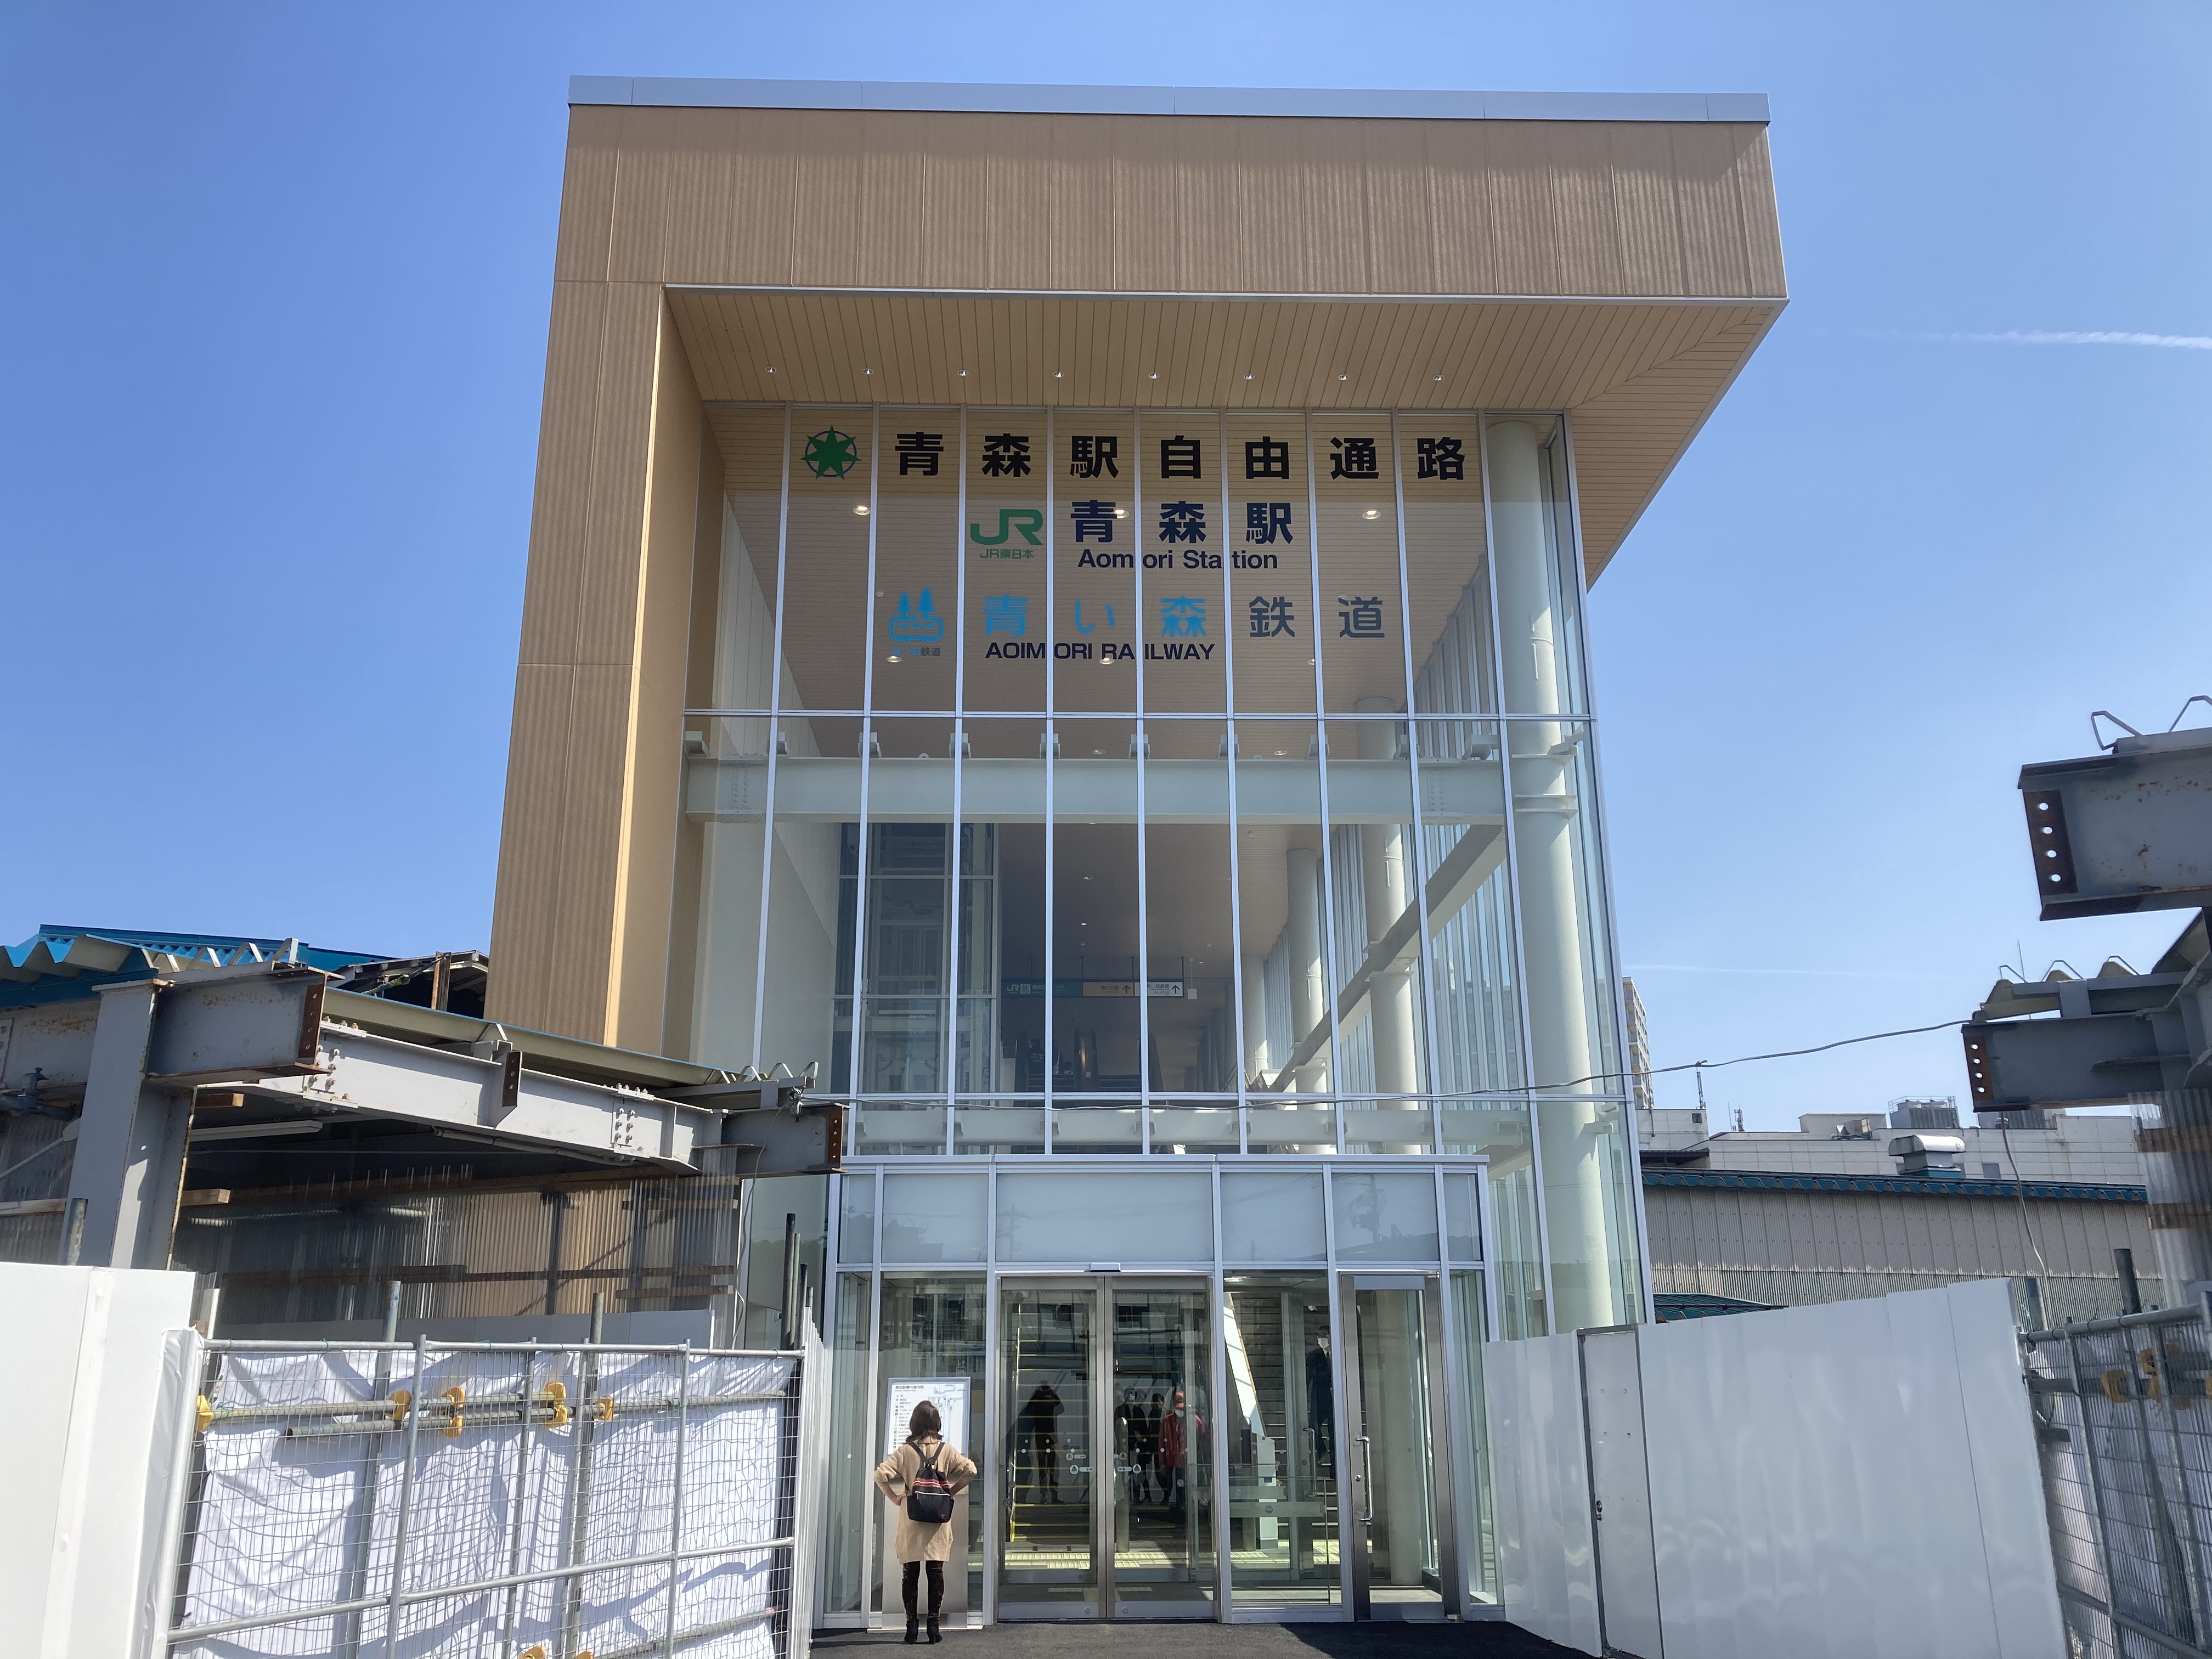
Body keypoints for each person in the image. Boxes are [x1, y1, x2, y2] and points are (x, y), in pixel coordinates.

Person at [874, 1400, 978, 1644]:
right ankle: (933, 1627)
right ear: (937, 1423)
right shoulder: (947, 1450)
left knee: (910, 1575)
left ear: (914, 1423)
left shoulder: (905, 1451)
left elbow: (880, 1475)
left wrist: (895, 1498)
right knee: (936, 1574)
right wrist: (951, 1492)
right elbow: (971, 1470)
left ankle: (911, 1627)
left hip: (912, 1521)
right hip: (938, 1523)